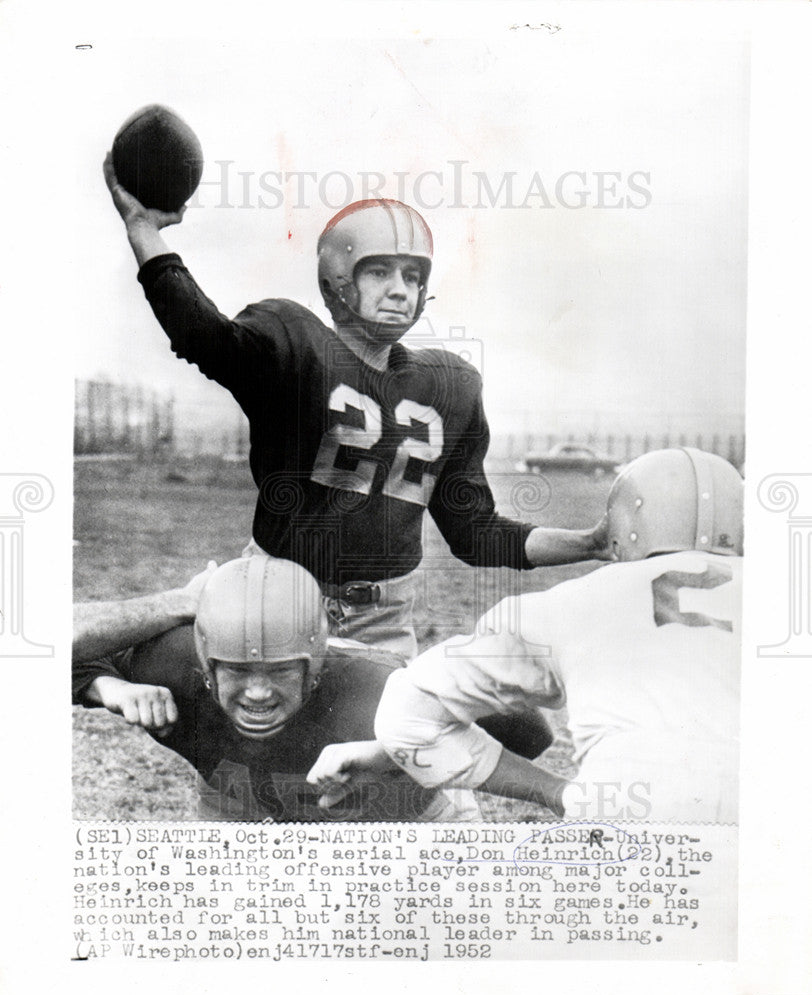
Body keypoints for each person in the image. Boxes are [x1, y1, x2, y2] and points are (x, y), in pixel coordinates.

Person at [104, 158, 608, 659]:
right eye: (380, 271)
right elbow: (202, 334)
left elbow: (476, 533)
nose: (400, 289)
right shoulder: (295, 343)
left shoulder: (450, 385)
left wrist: (589, 543)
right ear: (339, 279)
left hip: (382, 622)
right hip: (273, 599)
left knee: (406, 734)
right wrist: (143, 229)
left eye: (413, 276)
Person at [309, 449, 743, 824]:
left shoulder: (577, 601)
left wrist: (557, 793)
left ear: (622, 523)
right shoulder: (789, 597)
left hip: (630, 806)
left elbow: (408, 714)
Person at [73, 554, 551, 822]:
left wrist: (394, 749)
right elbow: (41, 645)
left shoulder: (377, 687)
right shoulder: (169, 668)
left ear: (317, 667)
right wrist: (105, 686)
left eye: (280, 671)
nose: (257, 693)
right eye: (236, 671)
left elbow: (532, 733)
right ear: (203, 663)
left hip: (400, 824)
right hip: (244, 813)